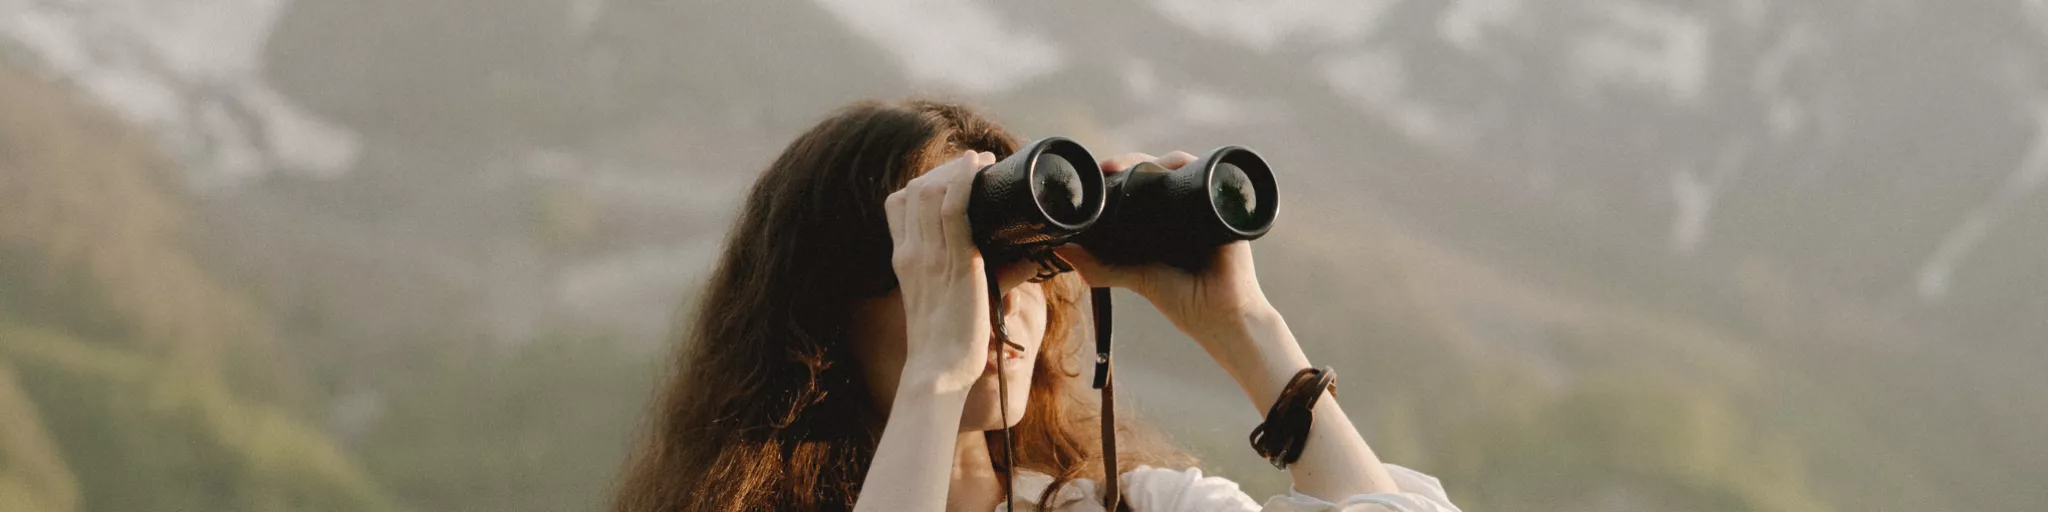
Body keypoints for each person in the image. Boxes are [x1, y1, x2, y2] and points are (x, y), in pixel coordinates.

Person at [611, 99, 1461, 512]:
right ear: (824, 305)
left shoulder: (1133, 507)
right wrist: (938, 376)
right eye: (953, 263)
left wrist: (1245, 328)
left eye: (1026, 263)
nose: (1001, 302)